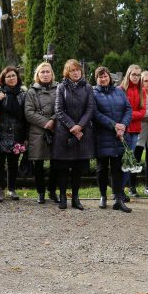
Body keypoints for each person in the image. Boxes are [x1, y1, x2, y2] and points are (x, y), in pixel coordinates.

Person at [52, 59, 95, 210]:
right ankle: (63, 197)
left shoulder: (88, 87)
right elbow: (58, 109)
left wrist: (80, 126)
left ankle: (75, 198)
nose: (76, 73)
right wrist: (72, 126)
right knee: (63, 168)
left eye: (78, 70)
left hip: (82, 133)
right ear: (67, 73)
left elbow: (90, 109)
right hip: (64, 132)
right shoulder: (61, 87)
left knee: (77, 169)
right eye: (72, 70)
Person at [93, 66, 132, 212]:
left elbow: (128, 109)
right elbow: (95, 114)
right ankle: (103, 195)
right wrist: (114, 125)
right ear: (96, 79)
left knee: (117, 169)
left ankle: (118, 199)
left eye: (105, 76)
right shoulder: (93, 93)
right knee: (102, 168)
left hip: (119, 136)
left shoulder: (119, 91)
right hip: (102, 136)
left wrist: (123, 125)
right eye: (100, 77)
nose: (103, 79)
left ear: (109, 77)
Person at [24, 62, 59, 204]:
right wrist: (47, 123)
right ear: (37, 75)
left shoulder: (59, 89)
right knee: (38, 164)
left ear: (52, 74)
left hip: (56, 130)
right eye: (42, 72)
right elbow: (28, 112)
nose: (45, 74)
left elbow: (63, 107)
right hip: (38, 132)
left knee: (55, 163)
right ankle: (40, 192)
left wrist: (53, 120)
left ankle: (52, 191)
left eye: (47, 72)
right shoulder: (31, 92)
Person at [0, 66, 27, 202]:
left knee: (13, 164)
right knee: (0, 164)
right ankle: (0, 190)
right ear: (3, 79)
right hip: (0, 133)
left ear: (17, 77)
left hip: (17, 134)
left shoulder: (23, 94)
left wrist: (26, 136)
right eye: (8, 76)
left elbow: (25, 116)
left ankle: (12, 189)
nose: (11, 78)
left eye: (13, 76)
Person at [122, 64, 147, 200]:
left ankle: (121, 189)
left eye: (138, 75)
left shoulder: (142, 91)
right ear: (128, 75)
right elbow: (119, 110)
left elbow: (143, 112)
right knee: (120, 160)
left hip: (135, 130)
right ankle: (118, 189)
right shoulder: (121, 89)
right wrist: (130, 115)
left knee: (129, 162)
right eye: (133, 75)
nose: (136, 77)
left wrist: (129, 114)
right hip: (123, 130)